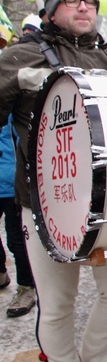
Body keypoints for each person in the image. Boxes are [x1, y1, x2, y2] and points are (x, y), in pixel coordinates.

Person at [0, 0, 107, 362]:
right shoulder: (21, 55)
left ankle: (96, 357)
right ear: (49, 10)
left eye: (89, 0)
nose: (84, 6)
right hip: (46, 203)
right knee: (58, 304)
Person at [0, 114, 36, 318]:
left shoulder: (10, 111)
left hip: (11, 186)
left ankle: (26, 287)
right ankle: (1, 274)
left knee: (16, 240)